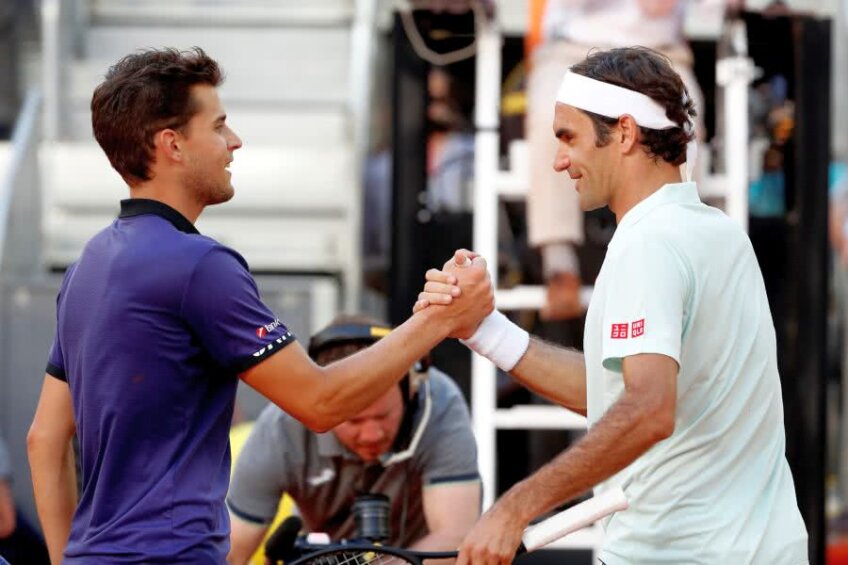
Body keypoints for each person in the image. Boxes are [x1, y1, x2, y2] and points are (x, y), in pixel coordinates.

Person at [25, 47, 493, 564]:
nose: (234, 141)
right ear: (172, 144)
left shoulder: (85, 266)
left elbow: (44, 439)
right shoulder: (200, 264)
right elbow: (320, 403)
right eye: (219, 126)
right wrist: (440, 318)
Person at [417, 47, 808, 564]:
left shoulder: (647, 243)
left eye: (568, 138)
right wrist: (485, 330)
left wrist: (516, 505)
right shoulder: (716, 232)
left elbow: (647, 410)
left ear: (624, 133)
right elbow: (615, 396)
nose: (557, 160)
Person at [226, 316, 481, 563]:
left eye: (383, 416)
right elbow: (231, 552)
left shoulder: (439, 402)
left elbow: (455, 537)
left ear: (411, 390)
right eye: (353, 421)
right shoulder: (281, 429)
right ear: (320, 407)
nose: (372, 434)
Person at [525, 0, 706, 320]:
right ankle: (559, 266)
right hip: (574, 49)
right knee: (547, 118)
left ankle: (675, 262)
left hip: (659, 52)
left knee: (684, 121)